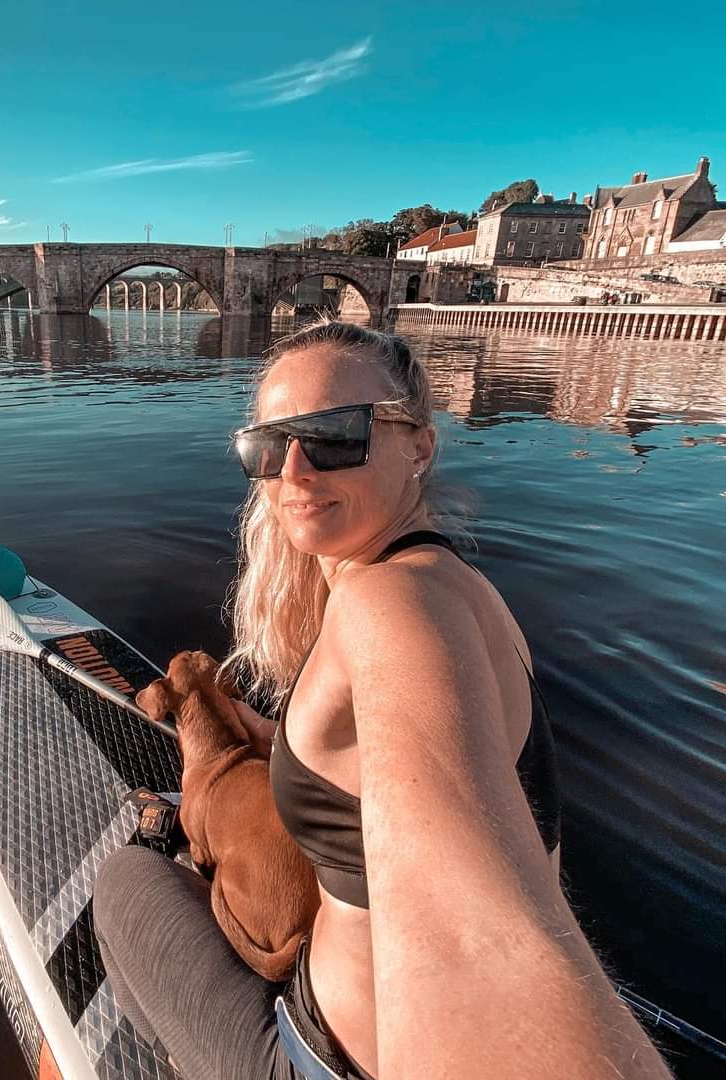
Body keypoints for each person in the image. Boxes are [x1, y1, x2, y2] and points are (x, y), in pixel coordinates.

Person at [94, 321, 672, 1080]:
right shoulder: (443, 584)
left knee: (126, 881)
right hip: (337, 1013)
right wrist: (282, 743)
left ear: (419, 446)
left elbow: (473, 942)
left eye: (335, 436)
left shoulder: (393, 610)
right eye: (267, 447)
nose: (293, 473)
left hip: (324, 1055)